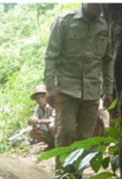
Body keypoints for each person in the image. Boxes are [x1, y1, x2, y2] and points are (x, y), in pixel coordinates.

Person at [44, 3, 115, 155]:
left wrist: (108, 90)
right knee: (66, 132)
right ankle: (63, 175)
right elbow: (51, 56)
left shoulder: (106, 27)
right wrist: (50, 88)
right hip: (66, 89)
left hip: (92, 91)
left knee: (85, 137)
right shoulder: (64, 21)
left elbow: (107, 61)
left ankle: (76, 176)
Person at [27, 85, 56, 149]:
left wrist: (38, 121)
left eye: (42, 97)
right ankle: (51, 144)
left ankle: (60, 144)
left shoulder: (52, 105)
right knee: (31, 131)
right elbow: (36, 119)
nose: (40, 100)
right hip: (47, 132)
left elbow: (54, 120)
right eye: (37, 98)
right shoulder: (37, 108)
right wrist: (32, 123)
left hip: (57, 131)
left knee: (52, 126)